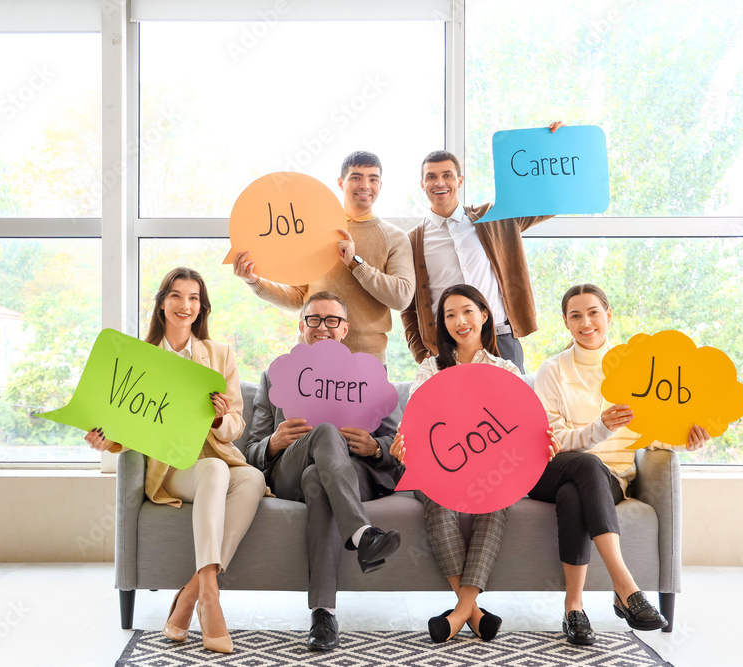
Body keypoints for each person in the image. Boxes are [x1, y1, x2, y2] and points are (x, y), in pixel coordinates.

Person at [85, 267, 267, 654]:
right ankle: (211, 600)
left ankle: (190, 595)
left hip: (215, 455)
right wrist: (106, 438)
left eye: (194, 298)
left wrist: (219, 418)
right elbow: (126, 418)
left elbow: (236, 423)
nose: (185, 305)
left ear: (202, 307)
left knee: (251, 479)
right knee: (216, 470)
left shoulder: (220, 354)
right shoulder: (141, 357)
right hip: (173, 469)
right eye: (177, 296)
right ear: (162, 302)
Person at [531, 283, 711, 645]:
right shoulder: (551, 371)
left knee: (573, 496)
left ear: (608, 315)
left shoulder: (635, 371)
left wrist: (688, 439)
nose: (586, 322)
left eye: (593, 312)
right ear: (566, 323)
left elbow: (653, 431)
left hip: (608, 479)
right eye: (576, 315)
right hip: (552, 470)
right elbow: (551, 441)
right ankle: (626, 587)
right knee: (582, 466)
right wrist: (600, 427)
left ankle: (573, 608)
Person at [389, 284, 559, 643]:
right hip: (437, 469)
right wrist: (402, 445)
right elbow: (415, 424)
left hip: (489, 469)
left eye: (467, 311)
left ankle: (461, 611)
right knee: (436, 501)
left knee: (494, 505)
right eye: (449, 315)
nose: (459, 321)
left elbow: (524, 428)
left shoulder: (505, 369)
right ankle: (474, 612)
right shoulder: (430, 367)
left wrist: (546, 444)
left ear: (484, 315)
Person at [243, 291, 404, 651]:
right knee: (326, 432)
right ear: (301, 326)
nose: (322, 328)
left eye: (332, 320)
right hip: (287, 472)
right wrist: (273, 442)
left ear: (344, 329)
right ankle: (363, 535)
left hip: (349, 474)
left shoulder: (368, 374)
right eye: (314, 319)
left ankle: (323, 613)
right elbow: (250, 451)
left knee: (318, 479)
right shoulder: (275, 375)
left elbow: (398, 444)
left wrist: (375, 446)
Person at [400, 122, 563, 373]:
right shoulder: (412, 241)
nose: (439, 182)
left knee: (510, 411)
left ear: (460, 180)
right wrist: (422, 354)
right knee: (452, 414)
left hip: (501, 339)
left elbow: (548, 203)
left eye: (447, 175)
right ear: (422, 184)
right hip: (447, 348)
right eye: (431, 176)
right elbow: (408, 308)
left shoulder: (494, 218)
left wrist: (553, 145)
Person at [233, 151, 415, 364]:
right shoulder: (313, 230)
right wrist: (254, 281)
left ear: (380, 185)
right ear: (341, 182)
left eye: (373, 179)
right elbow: (297, 298)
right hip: (310, 358)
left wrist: (356, 264)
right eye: (356, 177)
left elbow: (401, 298)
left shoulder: (395, 238)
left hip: (365, 362)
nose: (365, 185)